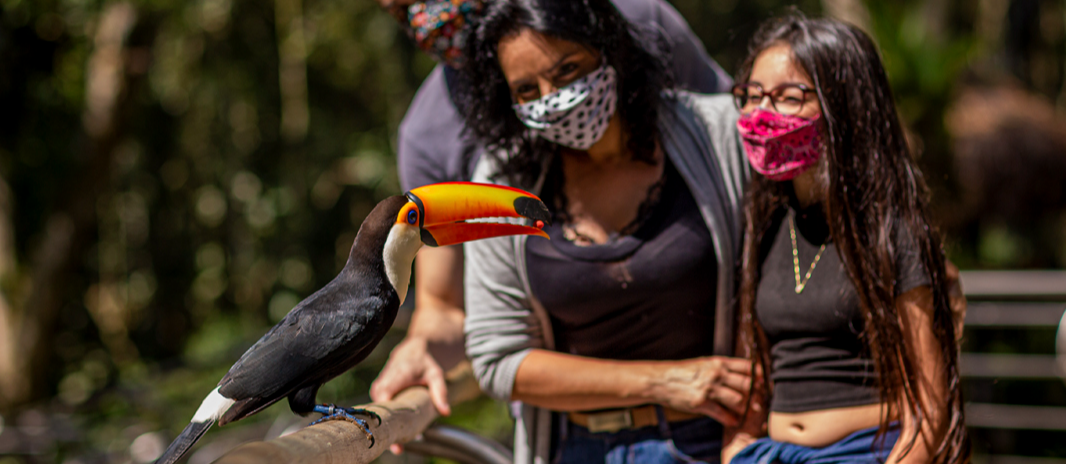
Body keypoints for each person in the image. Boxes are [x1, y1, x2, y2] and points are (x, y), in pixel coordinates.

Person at [369, 0, 733, 421]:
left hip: (716, 419)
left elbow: (732, 156)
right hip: (577, 426)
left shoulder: (639, 18)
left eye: (567, 71)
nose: (428, 15)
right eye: (402, 7)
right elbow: (443, 306)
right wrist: (421, 346)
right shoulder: (434, 139)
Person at [457, 0, 754, 462]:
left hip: (717, 440)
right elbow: (499, 361)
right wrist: (665, 381)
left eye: (568, 70)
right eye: (527, 90)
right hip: (579, 448)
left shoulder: (717, 134)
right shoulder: (501, 183)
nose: (553, 97)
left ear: (608, 50)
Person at [722, 15, 970, 463]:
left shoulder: (890, 231)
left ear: (845, 105)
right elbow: (757, 383)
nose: (761, 113)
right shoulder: (764, 225)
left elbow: (931, 410)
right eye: (753, 95)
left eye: (789, 97)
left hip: (864, 452)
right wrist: (738, 449)